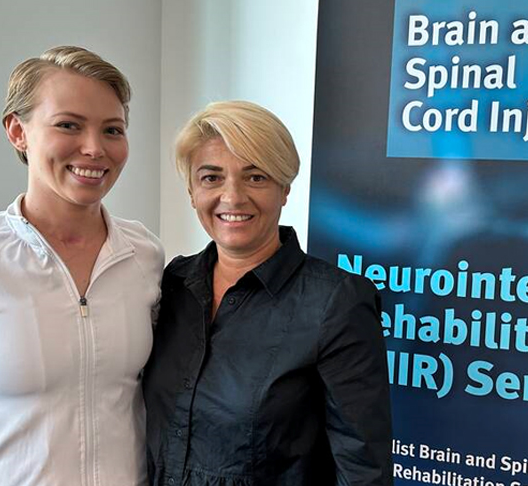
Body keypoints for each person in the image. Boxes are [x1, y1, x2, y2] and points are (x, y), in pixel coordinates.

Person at [0, 46, 164, 485]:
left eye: (112, 129)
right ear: (18, 131)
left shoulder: (145, 255)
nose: (94, 148)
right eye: (68, 125)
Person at [142, 100, 393, 485]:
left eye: (255, 176)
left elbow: (363, 469)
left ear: (284, 188)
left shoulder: (336, 302)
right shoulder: (172, 284)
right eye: (211, 178)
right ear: (192, 191)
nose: (233, 197)